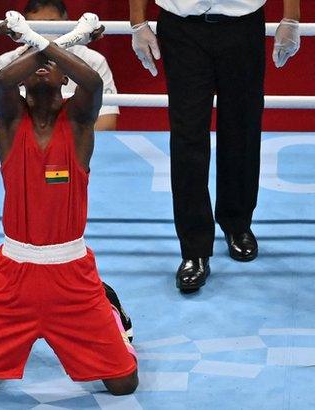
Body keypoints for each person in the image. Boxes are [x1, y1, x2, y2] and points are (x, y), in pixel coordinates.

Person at [0, 11, 138, 395]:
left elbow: (92, 81)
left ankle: (111, 313)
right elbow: (3, 79)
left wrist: (35, 39)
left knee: (123, 384)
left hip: (71, 272)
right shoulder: (11, 123)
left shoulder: (80, 124)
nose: (43, 67)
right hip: (13, 274)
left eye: (53, 66)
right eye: (36, 62)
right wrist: (60, 41)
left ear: (64, 80)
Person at [128, 0, 301, 292]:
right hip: (181, 27)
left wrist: (291, 19)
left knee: (242, 126)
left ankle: (237, 223)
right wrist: (137, 23)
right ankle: (193, 250)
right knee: (187, 135)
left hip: (242, 24)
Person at [0, 0, 120, 131]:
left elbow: (106, 122)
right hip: (23, 141)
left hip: (74, 144)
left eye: (51, 24)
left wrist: (63, 139)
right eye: (36, 27)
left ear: (66, 24)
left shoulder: (93, 60)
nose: (44, 33)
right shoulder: (7, 61)